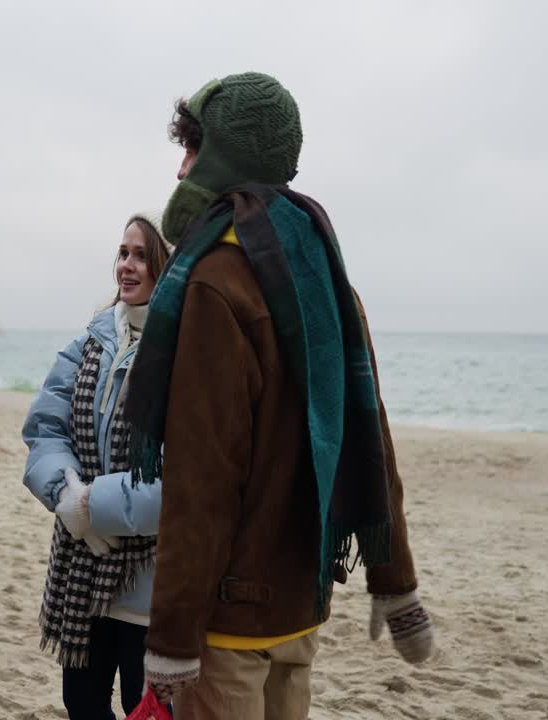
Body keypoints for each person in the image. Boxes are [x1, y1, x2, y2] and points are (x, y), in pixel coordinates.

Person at [126, 72, 436, 719]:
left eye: (191, 148)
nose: (181, 168)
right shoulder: (325, 272)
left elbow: (203, 477)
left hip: (227, 627)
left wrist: (173, 639)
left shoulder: (215, 280)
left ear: (221, 158)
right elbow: (371, 439)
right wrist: (394, 581)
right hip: (299, 607)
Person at [23, 215, 171, 719]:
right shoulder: (93, 340)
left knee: (143, 706)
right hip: (82, 568)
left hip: (152, 578)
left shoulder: (186, 349)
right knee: (81, 702)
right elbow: (46, 426)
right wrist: (67, 499)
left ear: (167, 267)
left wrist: (95, 505)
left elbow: (186, 475)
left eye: (141, 255)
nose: (127, 266)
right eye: (123, 253)